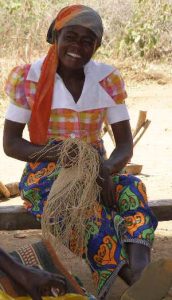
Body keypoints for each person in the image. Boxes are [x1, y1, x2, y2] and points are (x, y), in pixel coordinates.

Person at [3, 4, 158, 299]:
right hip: (46, 174)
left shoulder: (107, 80)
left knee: (132, 191)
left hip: (99, 168)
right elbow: (11, 144)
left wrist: (107, 170)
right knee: (84, 210)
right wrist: (61, 153)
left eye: (88, 41)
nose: (78, 47)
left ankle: (142, 269)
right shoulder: (30, 79)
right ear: (55, 37)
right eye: (71, 37)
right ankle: (132, 281)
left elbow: (124, 144)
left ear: (96, 46)